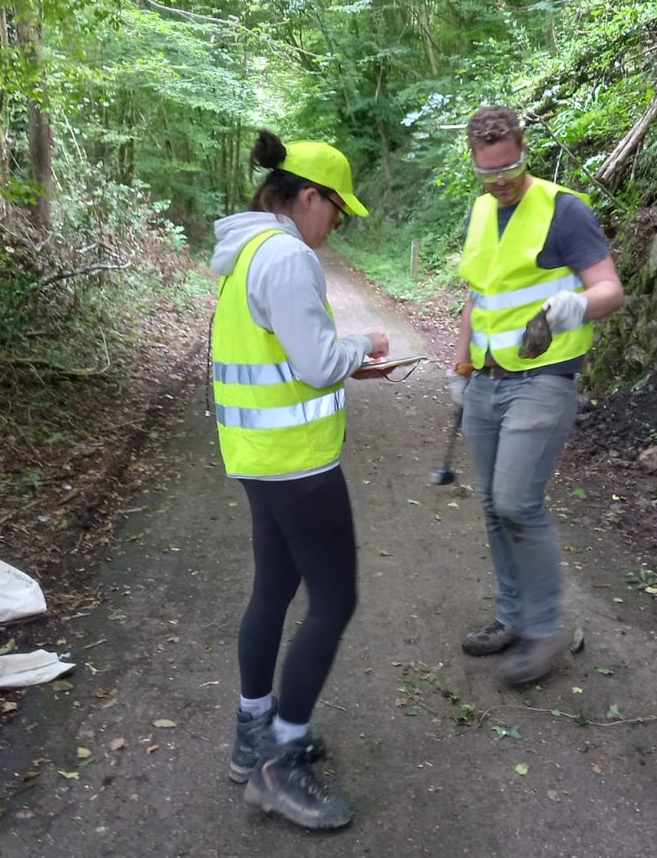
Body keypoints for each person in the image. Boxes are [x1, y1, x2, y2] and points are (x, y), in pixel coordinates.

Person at [209, 130, 387, 830]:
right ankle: (281, 764)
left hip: (258, 456)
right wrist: (363, 347)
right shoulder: (285, 256)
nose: (335, 226)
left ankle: (253, 733)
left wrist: (337, 354)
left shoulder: (246, 251)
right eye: (336, 210)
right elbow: (316, 362)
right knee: (333, 601)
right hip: (299, 465)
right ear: (307, 197)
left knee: (276, 589)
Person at [448, 105, 625, 687]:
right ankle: (512, 617)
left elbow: (610, 289)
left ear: (525, 151)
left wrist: (575, 305)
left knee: (517, 501)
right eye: (487, 171)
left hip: (544, 377)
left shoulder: (563, 209)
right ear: (474, 163)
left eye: (510, 166)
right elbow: (480, 295)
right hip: (487, 382)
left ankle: (545, 628)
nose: (500, 180)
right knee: (493, 509)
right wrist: (460, 361)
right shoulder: (479, 211)